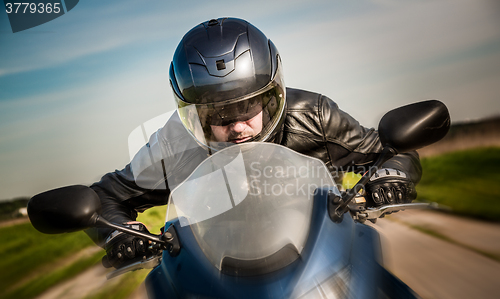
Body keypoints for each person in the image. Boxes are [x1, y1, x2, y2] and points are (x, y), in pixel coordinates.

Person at [88, 18, 420, 268]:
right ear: (194, 116)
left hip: (326, 256)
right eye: (218, 115)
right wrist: (120, 231)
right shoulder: (175, 145)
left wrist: (390, 174)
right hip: (219, 273)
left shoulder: (314, 117)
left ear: (273, 95)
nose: (237, 127)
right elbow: (105, 198)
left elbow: (390, 149)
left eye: (249, 107)